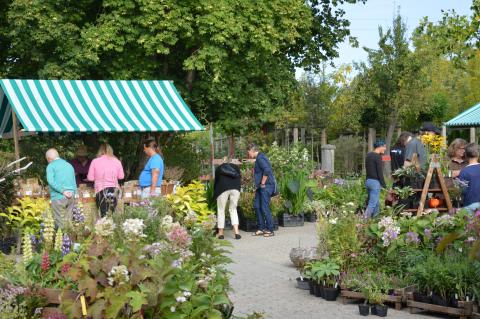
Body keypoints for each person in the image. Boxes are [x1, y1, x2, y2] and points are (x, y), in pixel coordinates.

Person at [87, 143, 125, 217]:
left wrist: (98, 176)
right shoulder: (117, 161)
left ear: (100, 151)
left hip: (101, 190)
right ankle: (112, 227)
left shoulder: (95, 161)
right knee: (112, 212)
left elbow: (90, 178)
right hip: (114, 189)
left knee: (103, 213)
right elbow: (121, 176)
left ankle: (104, 227)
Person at [248, 143, 276, 237]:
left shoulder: (260, 158)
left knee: (264, 207)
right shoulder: (259, 158)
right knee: (257, 206)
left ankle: (270, 229)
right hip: (260, 187)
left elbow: (267, 170)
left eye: (249, 152)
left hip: (266, 186)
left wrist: (263, 183)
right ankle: (261, 228)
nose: (249, 155)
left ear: (252, 150)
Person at [45, 148, 77, 229]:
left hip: (58, 196)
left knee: (60, 223)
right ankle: (71, 240)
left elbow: (50, 181)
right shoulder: (69, 165)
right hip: (71, 196)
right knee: (69, 222)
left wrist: (63, 191)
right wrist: (74, 194)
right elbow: (74, 182)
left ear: (49, 158)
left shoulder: (51, 165)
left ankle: (62, 241)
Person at [214, 158, 242, 240]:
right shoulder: (236, 167)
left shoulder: (219, 168)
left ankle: (221, 233)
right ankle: (237, 233)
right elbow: (239, 177)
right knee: (233, 209)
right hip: (236, 188)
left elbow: (216, 182)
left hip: (222, 188)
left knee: (221, 210)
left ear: (223, 161)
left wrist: (215, 193)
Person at [365, 140, 387, 218]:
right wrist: (384, 185)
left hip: (368, 181)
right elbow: (379, 172)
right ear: (380, 146)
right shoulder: (378, 157)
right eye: (384, 146)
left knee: (376, 203)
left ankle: (375, 219)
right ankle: (363, 221)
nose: (385, 148)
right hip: (375, 182)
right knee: (372, 203)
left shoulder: (368, 155)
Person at [458, 143, 480, 213]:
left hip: (470, 204)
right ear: (478, 154)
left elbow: (462, 190)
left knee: (469, 223)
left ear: (466, 155)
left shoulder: (464, 171)